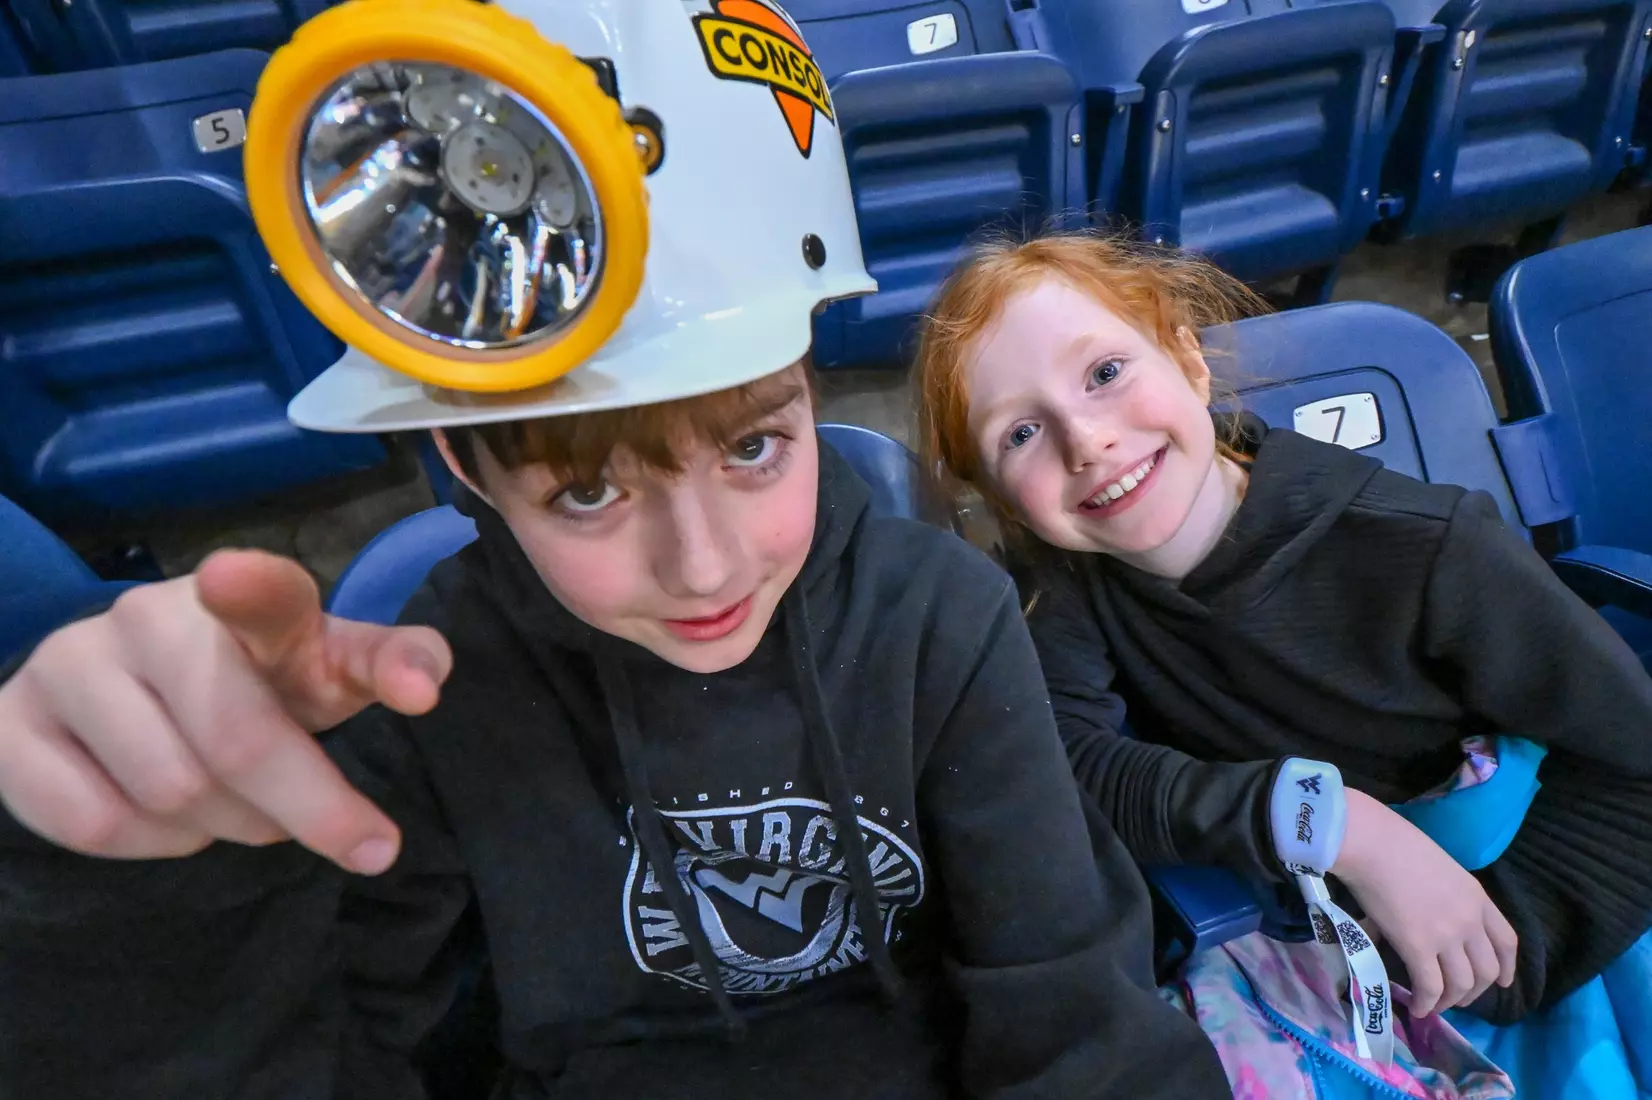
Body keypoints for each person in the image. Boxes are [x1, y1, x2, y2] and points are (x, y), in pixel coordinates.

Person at [0, 5, 1231, 1099]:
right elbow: (321, 1050)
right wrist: (146, 881)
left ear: (810, 383)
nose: (703, 567)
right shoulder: (432, 685)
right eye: (586, 490)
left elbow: (1078, 1018)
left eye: (752, 447)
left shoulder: (940, 622)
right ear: (463, 464)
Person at [911, 230, 1652, 1034]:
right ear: (1003, 499)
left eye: (1105, 373)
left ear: (1189, 362)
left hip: (1517, 922)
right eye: (1020, 434)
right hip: (1303, 919)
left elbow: (1636, 758)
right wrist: (1329, 821)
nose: (1087, 443)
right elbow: (1063, 767)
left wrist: (1502, 948)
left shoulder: (1432, 547)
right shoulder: (1060, 583)